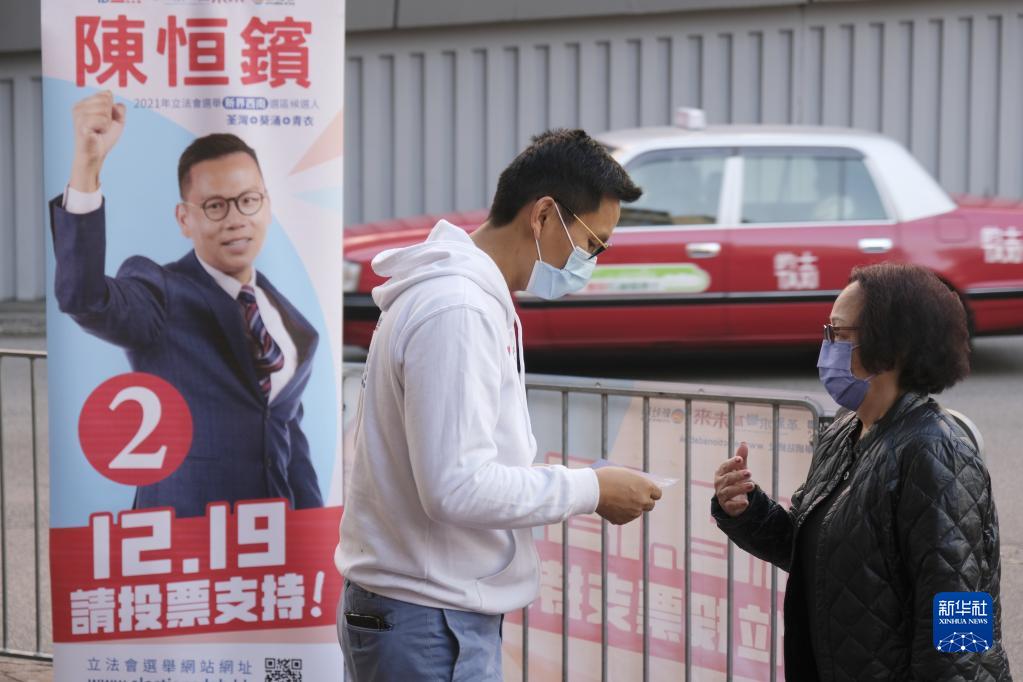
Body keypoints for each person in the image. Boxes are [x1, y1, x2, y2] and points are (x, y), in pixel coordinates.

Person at [335, 129, 662, 680]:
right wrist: (591, 489)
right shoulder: (457, 309)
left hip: (426, 610)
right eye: (593, 244)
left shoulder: (461, 297)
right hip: (428, 617)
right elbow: (457, 486)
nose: (592, 262)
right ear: (544, 216)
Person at [712, 263, 1011, 680]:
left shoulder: (937, 453)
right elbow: (820, 554)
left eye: (838, 333)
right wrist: (747, 511)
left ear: (891, 346)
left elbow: (960, 617)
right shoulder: (845, 429)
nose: (826, 346)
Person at [50, 91, 322, 518]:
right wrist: (87, 166)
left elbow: (290, 444)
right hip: (184, 536)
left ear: (267, 206)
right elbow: (83, 298)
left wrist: (315, 531)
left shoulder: (295, 326)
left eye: (248, 200)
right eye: (215, 206)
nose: (236, 219)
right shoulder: (160, 292)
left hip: (271, 541)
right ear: (184, 219)